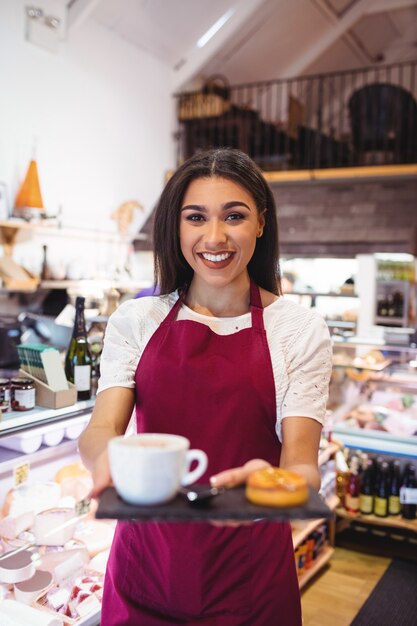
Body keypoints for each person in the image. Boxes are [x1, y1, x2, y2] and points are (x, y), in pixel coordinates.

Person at [79, 148, 332, 626]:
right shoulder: (137, 319)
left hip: (251, 576)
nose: (214, 237)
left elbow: (302, 464)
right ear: (176, 227)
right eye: (196, 217)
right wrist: (103, 457)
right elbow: (102, 426)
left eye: (234, 216)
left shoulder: (297, 329)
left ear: (260, 223)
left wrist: (276, 484)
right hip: (143, 569)